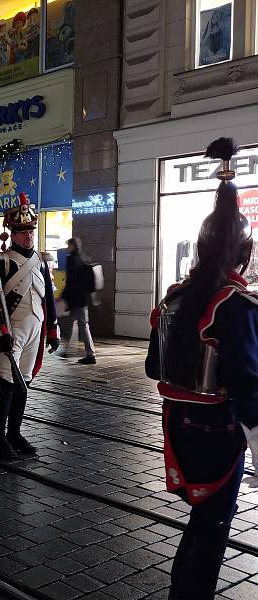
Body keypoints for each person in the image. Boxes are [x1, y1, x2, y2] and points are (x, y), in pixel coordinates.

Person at [145, 138, 258, 600]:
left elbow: (155, 366)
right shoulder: (235, 304)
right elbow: (250, 387)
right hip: (218, 429)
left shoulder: (174, 297)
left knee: (201, 523)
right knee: (211, 528)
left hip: (178, 425)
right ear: (242, 254)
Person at [0, 193, 59, 459]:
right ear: (12, 233)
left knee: (23, 383)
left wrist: (52, 328)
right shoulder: (4, 262)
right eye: (22, 231)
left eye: (30, 230)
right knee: (7, 384)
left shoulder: (40, 261)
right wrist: (0, 330)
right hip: (13, 328)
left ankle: (14, 433)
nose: (28, 236)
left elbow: (48, 297)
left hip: (35, 328)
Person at [60, 237, 96, 364]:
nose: (67, 248)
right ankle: (69, 350)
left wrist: (63, 295)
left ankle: (90, 354)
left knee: (80, 325)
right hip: (82, 298)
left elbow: (71, 280)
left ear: (72, 246)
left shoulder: (71, 259)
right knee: (75, 324)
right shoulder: (85, 258)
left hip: (75, 298)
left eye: (68, 245)